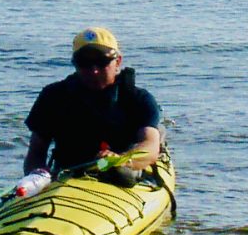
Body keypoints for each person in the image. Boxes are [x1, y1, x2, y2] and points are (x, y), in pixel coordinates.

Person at [24, 27, 165, 181]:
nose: (94, 71)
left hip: (122, 173)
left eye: (101, 62)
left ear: (118, 61)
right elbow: (36, 152)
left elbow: (150, 146)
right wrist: (38, 176)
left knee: (121, 174)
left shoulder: (138, 98)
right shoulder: (53, 96)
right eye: (85, 63)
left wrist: (120, 160)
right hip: (68, 174)